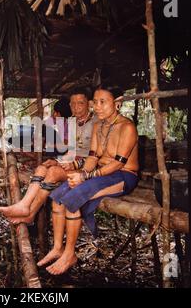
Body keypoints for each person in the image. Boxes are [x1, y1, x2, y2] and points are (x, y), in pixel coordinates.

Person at [39, 83, 139, 275]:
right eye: (96, 102)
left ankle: (70, 254)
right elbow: (93, 157)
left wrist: (85, 176)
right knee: (59, 196)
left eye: (103, 102)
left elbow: (118, 164)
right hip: (102, 172)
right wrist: (80, 174)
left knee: (73, 198)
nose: (97, 107)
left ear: (117, 103)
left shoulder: (127, 127)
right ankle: (58, 247)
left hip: (124, 176)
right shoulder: (99, 125)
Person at [0, 87, 97, 224]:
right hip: (71, 163)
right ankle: (23, 205)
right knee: (42, 168)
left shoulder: (97, 123)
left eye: (80, 103)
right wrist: (56, 160)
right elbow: (70, 150)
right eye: (73, 104)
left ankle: (31, 213)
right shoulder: (73, 122)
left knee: (53, 172)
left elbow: (98, 156)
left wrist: (73, 164)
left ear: (89, 103)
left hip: (87, 169)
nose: (76, 108)